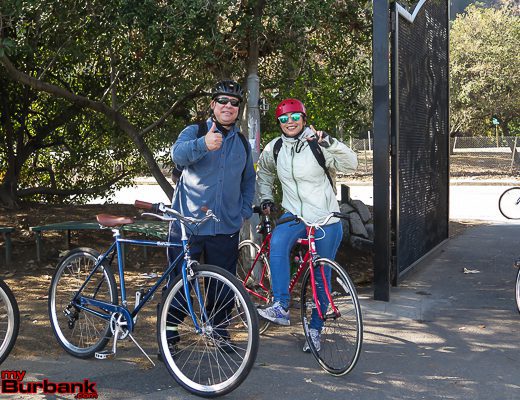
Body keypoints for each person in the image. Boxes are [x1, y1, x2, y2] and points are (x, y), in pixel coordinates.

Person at [256, 98, 358, 352]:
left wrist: (330, 142)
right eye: (283, 118)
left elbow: (352, 164)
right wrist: (266, 197)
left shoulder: (317, 145)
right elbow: (264, 173)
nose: (289, 122)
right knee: (278, 243)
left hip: (325, 217)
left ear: (303, 118)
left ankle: (315, 329)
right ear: (279, 122)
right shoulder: (275, 148)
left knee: (321, 275)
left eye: (294, 117)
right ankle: (280, 305)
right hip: (295, 215)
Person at [163, 79, 256, 353]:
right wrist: (203, 144)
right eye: (223, 101)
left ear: (238, 109)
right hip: (188, 225)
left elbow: (248, 181)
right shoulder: (195, 131)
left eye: (234, 103)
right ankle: (169, 335)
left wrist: (243, 212)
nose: (228, 106)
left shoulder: (241, 142)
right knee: (179, 282)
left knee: (223, 286)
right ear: (213, 104)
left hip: (225, 226)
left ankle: (218, 330)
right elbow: (177, 155)